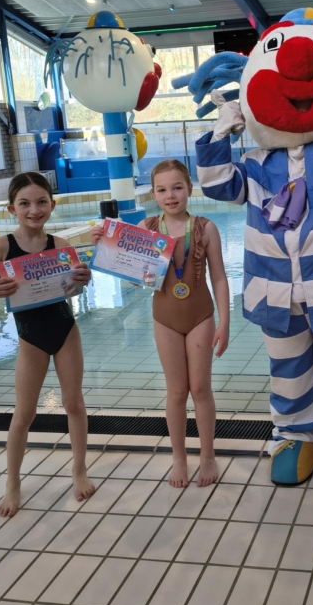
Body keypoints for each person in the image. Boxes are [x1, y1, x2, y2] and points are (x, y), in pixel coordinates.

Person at [92, 159, 230, 488]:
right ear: (153, 194)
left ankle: (207, 455)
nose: (171, 195)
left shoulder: (206, 228)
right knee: (177, 391)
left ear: (189, 189)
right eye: (162, 189)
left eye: (177, 187)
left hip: (200, 317)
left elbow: (220, 278)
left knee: (200, 389)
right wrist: (104, 245)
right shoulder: (147, 228)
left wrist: (225, 321)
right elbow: (131, 276)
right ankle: (179, 458)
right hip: (165, 319)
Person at [0, 172, 95, 517]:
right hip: (30, 338)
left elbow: (73, 289)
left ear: (52, 204)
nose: (34, 210)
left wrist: (83, 279)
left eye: (41, 202)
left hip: (65, 330)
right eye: (25, 203)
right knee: (24, 413)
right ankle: (12, 483)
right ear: (11, 209)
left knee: (74, 403)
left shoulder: (60, 245)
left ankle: (79, 470)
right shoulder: (1, 247)